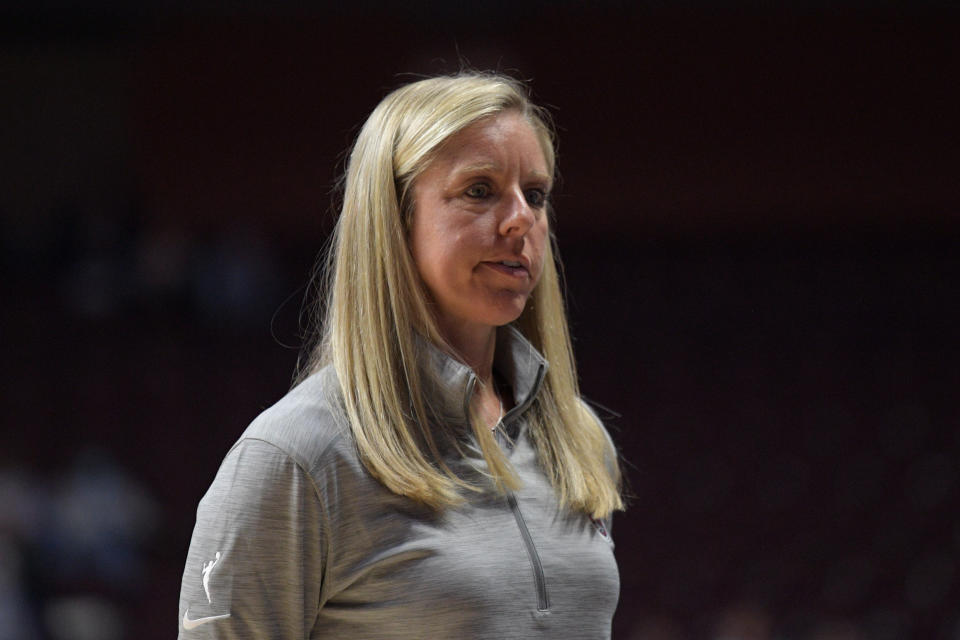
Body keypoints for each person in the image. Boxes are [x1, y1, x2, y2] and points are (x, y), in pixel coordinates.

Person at [177, 71, 624, 639]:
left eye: (535, 195)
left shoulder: (578, 439)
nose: (522, 220)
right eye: (479, 190)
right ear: (394, 218)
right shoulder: (294, 457)